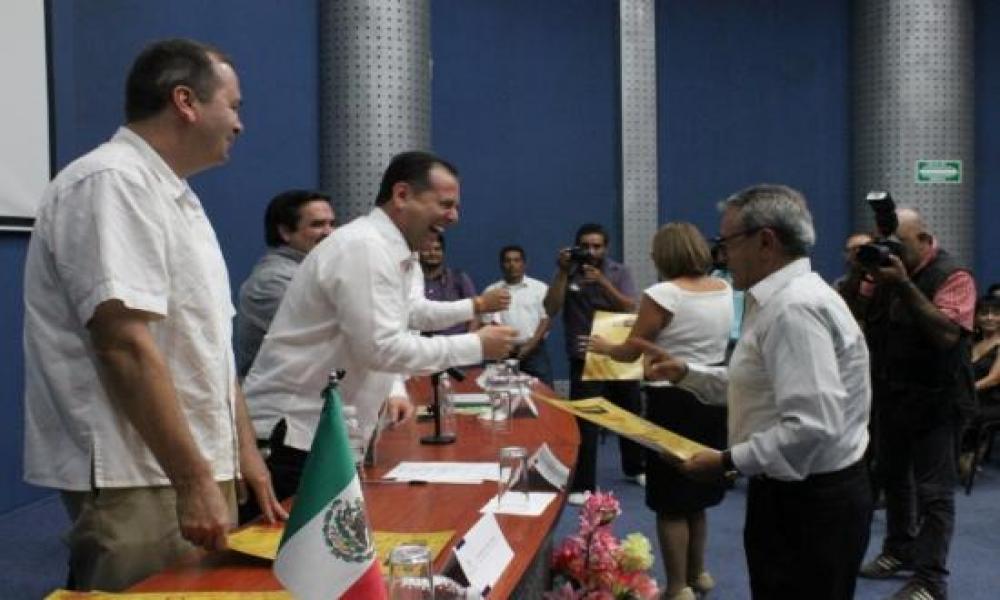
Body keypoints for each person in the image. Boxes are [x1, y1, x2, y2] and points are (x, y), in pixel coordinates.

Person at [22, 38, 285, 592]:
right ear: (185, 102)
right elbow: (123, 344)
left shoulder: (176, 196)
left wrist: (244, 451)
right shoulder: (111, 181)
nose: (239, 124)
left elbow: (210, 346)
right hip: (138, 471)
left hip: (191, 464)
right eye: (233, 105)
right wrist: (192, 480)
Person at [243, 151, 515, 503]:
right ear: (402, 195)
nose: (454, 216)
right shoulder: (365, 248)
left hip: (321, 433)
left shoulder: (391, 249)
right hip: (293, 433)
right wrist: (476, 345)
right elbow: (381, 348)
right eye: (445, 204)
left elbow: (410, 312)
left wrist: (474, 309)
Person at [642, 184, 872, 600]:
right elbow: (758, 387)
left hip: (809, 502)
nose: (721, 255)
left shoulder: (793, 308)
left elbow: (812, 425)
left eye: (727, 242)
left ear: (766, 241)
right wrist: (685, 373)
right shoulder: (783, 299)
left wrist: (727, 462)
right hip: (800, 493)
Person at [586, 223, 731, 600]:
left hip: (672, 401)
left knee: (670, 503)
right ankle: (699, 574)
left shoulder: (662, 293)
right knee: (698, 495)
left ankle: (678, 587)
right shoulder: (723, 287)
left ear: (666, 254)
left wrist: (603, 347)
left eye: (654, 251)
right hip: (714, 396)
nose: (651, 256)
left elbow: (630, 351)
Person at [848, 208, 975, 600]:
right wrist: (864, 275)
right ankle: (898, 550)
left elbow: (946, 335)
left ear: (923, 239)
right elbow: (861, 315)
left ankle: (931, 580)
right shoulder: (884, 271)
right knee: (892, 477)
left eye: (899, 244)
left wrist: (903, 284)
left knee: (934, 493)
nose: (893, 251)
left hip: (938, 400)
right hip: (893, 394)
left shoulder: (954, 275)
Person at [544, 223, 645, 504]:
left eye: (597, 246)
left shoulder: (619, 272)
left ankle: (636, 467)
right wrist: (562, 272)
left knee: (629, 414)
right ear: (576, 246)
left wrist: (602, 282)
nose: (591, 251)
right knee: (585, 422)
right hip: (584, 355)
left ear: (606, 248)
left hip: (618, 350)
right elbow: (550, 308)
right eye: (585, 246)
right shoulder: (568, 271)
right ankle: (583, 484)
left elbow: (630, 306)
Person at [235, 189, 336, 377]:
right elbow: (324, 339)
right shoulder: (272, 281)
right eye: (317, 225)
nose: (329, 232)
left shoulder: (316, 271)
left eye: (332, 224)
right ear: (285, 232)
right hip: (279, 393)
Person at [481, 245, 553, 385]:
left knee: (543, 392)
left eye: (516, 260)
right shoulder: (491, 291)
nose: (512, 265)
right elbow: (487, 324)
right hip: (503, 353)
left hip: (534, 352)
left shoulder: (540, 288)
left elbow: (546, 319)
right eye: (507, 261)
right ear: (501, 264)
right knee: (503, 392)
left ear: (524, 264)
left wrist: (530, 345)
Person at [959, 295, 1000, 477]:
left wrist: (965, 391)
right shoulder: (971, 342)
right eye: (984, 313)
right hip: (970, 398)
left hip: (993, 401)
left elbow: (994, 379)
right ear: (976, 317)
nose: (989, 317)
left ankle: (967, 455)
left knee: (962, 411)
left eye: (996, 313)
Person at [419, 231, 479, 334]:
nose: (432, 253)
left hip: (456, 340)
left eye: (437, 249)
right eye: (427, 250)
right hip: (421, 341)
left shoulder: (458, 278)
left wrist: (468, 339)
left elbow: (475, 311)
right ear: (418, 253)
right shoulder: (411, 282)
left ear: (443, 252)